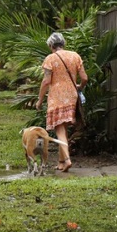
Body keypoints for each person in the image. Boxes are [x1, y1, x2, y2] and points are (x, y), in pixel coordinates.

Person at [35, 32, 88, 172]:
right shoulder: (75, 56)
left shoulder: (50, 59)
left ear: (51, 45)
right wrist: (79, 87)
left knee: (59, 130)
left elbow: (46, 81)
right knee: (63, 128)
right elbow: (84, 78)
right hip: (71, 95)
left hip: (57, 96)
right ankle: (60, 162)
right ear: (63, 43)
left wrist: (40, 99)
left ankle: (67, 160)